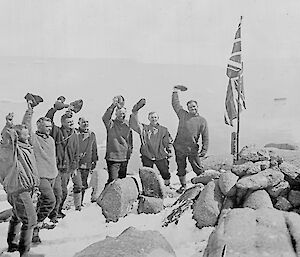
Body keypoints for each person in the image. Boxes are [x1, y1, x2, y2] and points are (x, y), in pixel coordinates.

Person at [1, 110, 40, 256]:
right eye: (25, 134)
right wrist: (8, 126)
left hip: (26, 188)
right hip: (19, 190)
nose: (28, 135)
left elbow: (27, 127)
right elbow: (6, 141)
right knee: (30, 220)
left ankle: (12, 245)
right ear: (17, 137)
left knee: (17, 217)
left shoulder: (27, 148)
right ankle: (24, 253)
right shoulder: (13, 150)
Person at [21, 101, 58, 244]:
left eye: (50, 127)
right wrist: (29, 111)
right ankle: (36, 224)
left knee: (50, 200)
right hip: (41, 177)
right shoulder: (34, 139)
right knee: (50, 201)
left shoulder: (51, 139)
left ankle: (35, 231)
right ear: (39, 126)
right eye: (46, 127)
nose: (49, 129)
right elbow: (26, 126)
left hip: (53, 175)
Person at [45, 98, 81, 221]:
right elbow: (48, 119)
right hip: (56, 168)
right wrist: (55, 109)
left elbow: (76, 153)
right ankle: (53, 215)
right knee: (58, 192)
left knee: (64, 192)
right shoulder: (56, 132)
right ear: (62, 123)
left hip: (67, 169)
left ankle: (58, 210)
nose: (71, 123)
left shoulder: (75, 135)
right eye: (68, 121)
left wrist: (74, 168)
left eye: (72, 121)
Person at [172, 86, 209, 193]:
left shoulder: (202, 121)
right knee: (181, 168)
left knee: (197, 167)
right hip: (179, 147)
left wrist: (204, 150)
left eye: (194, 106)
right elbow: (175, 104)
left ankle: (205, 184)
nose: (192, 108)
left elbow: (205, 137)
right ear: (187, 108)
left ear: (197, 107)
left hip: (192, 148)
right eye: (190, 107)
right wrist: (175, 92)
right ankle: (183, 186)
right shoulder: (183, 115)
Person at [129, 98, 173, 186]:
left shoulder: (164, 130)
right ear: (149, 118)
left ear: (158, 118)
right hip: (147, 155)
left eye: (155, 117)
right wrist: (135, 112)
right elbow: (134, 124)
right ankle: (149, 188)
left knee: (165, 172)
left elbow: (168, 141)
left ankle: (167, 186)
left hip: (160, 155)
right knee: (148, 173)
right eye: (152, 117)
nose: (154, 119)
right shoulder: (144, 129)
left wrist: (170, 151)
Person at [102, 96, 133, 185]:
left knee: (121, 182)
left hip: (124, 157)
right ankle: (105, 198)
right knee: (112, 181)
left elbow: (130, 141)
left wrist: (129, 153)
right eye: (120, 113)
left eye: (123, 113)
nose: (122, 115)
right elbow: (105, 117)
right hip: (113, 158)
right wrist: (113, 105)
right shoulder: (110, 124)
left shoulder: (128, 125)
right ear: (116, 113)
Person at [76, 117, 98, 205]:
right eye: (83, 122)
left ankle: (80, 203)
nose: (85, 124)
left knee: (84, 183)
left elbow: (94, 148)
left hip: (87, 162)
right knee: (77, 183)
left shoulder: (91, 134)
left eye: (87, 122)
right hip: (76, 163)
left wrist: (94, 160)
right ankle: (76, 202)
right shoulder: (75, 133)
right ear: (79, 123)